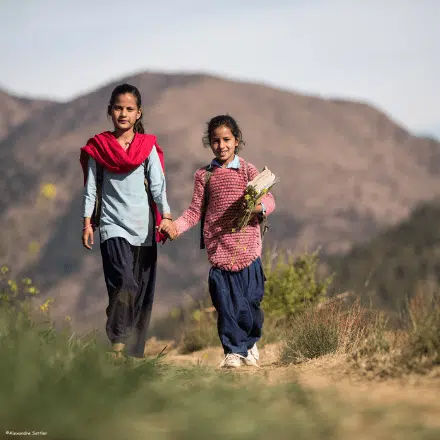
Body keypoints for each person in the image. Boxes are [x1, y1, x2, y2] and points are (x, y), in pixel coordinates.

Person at [162, 115, 276, 368]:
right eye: (215, 141)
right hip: (219, 250)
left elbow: (269, 200)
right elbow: (194, 212)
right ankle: (233, 351)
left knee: (252, 303)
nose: (221, 145)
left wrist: (260, 207)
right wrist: (176, 228)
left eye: (226, 139)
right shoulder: (204, 176)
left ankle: (249, 341)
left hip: (248, 249)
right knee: (225, 305)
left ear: (237, 141)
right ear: (209, 143)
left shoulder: (248, 170)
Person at [80, 83, 173, 359]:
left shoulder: (147, 148)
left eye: (129, 109)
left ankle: (133, 355)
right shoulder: (100, 148)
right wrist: (87, 223)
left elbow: (158, 186)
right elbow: (91, 189)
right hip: (112, 226)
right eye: (118, 108)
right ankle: (117, 346)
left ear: (138, 113)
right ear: (110, 111)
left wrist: (165, 216)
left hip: (143, 230)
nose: (123, 113)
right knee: (127, 284)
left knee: (140, 292)